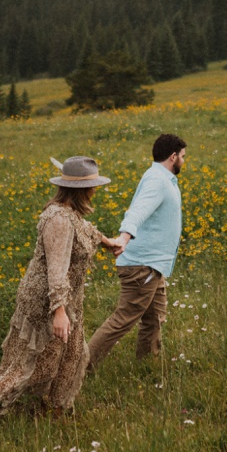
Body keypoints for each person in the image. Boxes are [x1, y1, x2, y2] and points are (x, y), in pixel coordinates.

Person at [0, 156, 122, 429]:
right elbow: (56, 272)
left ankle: (53, 412)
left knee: (72, 357)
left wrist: (108, 243)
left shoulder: (68, 213)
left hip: (67, 300)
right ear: (83, 190)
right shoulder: (58, 220)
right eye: (93, 186)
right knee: (34, 366)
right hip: (46, 302)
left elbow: (86, 230)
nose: (96, 190)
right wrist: (59, 312)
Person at [86, 133, 187, 372]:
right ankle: (78, 368)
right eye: (183, 156)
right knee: (122, 320)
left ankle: (146, 367)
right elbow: (137, 212)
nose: (184, 161)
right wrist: (124, 236)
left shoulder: (160, 177)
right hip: (143, 266)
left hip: (154, 265)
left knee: (154, 319)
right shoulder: (157, 181)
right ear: (173, 157)